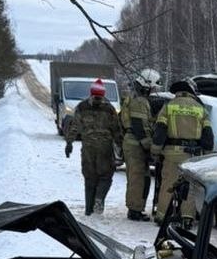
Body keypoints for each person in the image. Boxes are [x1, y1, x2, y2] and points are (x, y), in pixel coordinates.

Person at [151, 78, 213, 225]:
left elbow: (160, 132)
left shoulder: (168, 107)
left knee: (168, 184)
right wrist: (208, 154)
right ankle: (187, 218)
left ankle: (161, 217)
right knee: (190, 187)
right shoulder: (201, 109)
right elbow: (208, 135)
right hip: (193, 156)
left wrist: (155, 151)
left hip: (172, 153)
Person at [65, 78, 121, 215]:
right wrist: (120, 146)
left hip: (88, 147)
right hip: (105, 148)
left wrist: (69, 143)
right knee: (105, 176)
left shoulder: (81, 107)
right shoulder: (109, 108)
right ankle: (99, 199)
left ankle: (89, 210)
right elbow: (116, 130)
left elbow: (74, 126)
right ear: (103, 94)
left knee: (89, 178)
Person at [121, 68, 161, 221]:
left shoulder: (136, 98)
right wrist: (150, 147)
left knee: (140, 177)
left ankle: (136, 208)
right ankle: (134, 211)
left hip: (133, 143)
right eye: (152, 88)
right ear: (147, 85)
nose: (153, 91)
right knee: (137, 178)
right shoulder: (139, 101)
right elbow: (140, 127)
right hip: (135, 144)